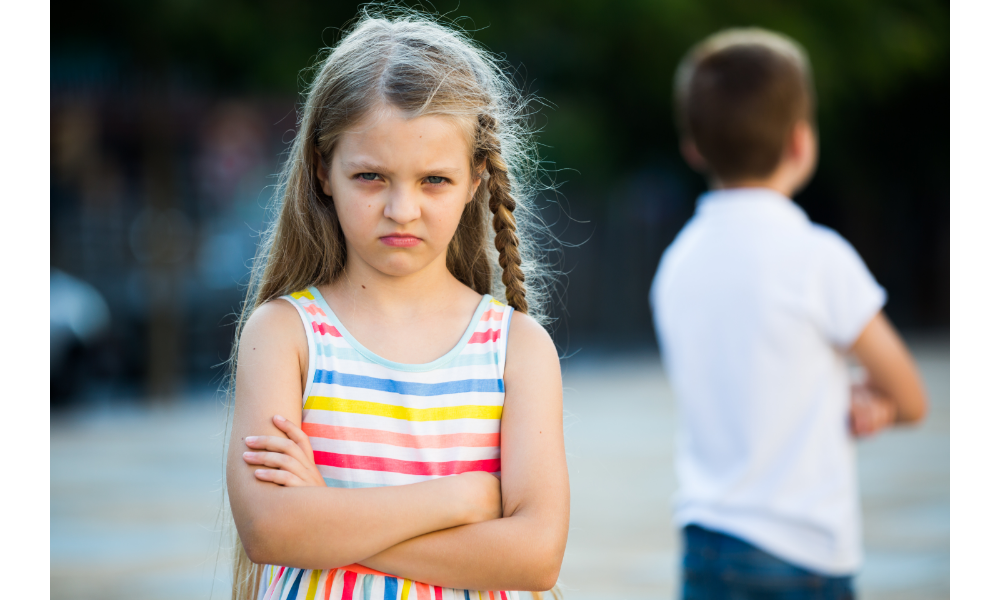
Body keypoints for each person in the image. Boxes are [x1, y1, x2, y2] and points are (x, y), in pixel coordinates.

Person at [224, 9, 569, 600]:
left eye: (434, 179)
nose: (401, 209)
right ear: (322, 171)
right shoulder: (285, 334)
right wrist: (459, 500)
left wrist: (328, 519)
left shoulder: (517, 349)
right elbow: (272, 529)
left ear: (476, 178)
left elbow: (535, 558)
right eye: (371, 177)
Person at [649, 28, 928, 599]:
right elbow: (910, 397)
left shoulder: (676, 265)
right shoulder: (818, 258)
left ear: (694, 148)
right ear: (801, 142)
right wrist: (862, 399)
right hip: (803, 553)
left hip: (706, 546)